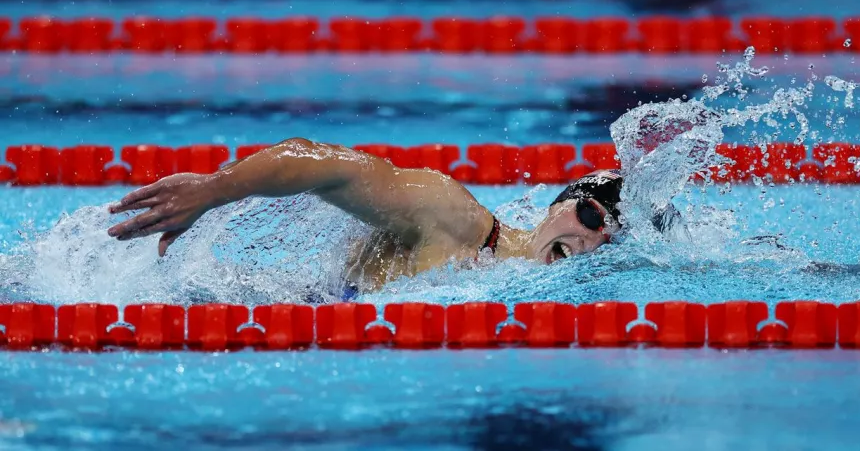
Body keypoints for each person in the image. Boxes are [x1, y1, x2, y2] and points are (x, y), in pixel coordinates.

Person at [107, 138, 623, 292]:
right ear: (559, 204)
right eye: (592, 217)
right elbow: (326, 165)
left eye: (609, 238)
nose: (590, 240)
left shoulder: (541, 295)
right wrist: (215, 190)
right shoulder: (453, 217)